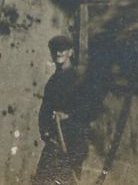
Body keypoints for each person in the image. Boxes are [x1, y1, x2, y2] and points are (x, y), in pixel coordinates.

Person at [33, 34, 87, 185]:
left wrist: (67, 116)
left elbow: (86, 110)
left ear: (70, 52)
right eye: (55, 49)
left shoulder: (77, 79)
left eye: (62, 49)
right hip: (54, 142)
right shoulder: (52, 82)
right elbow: (45, 110)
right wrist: (45, 131)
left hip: (71, 143)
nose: (58, 53)